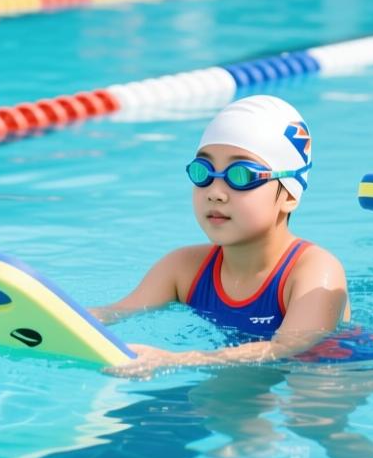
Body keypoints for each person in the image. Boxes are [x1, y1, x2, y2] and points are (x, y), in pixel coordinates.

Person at [94, 95, 351, 376]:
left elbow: (289, 348)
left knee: (309, 394)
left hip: (340, 367)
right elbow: (115, 312)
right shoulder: (183, 268)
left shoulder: (315, 271)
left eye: (240, 175)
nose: (215, 192)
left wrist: (174, 360)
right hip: (242, 368)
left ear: (289, 194)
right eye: (203, 172)